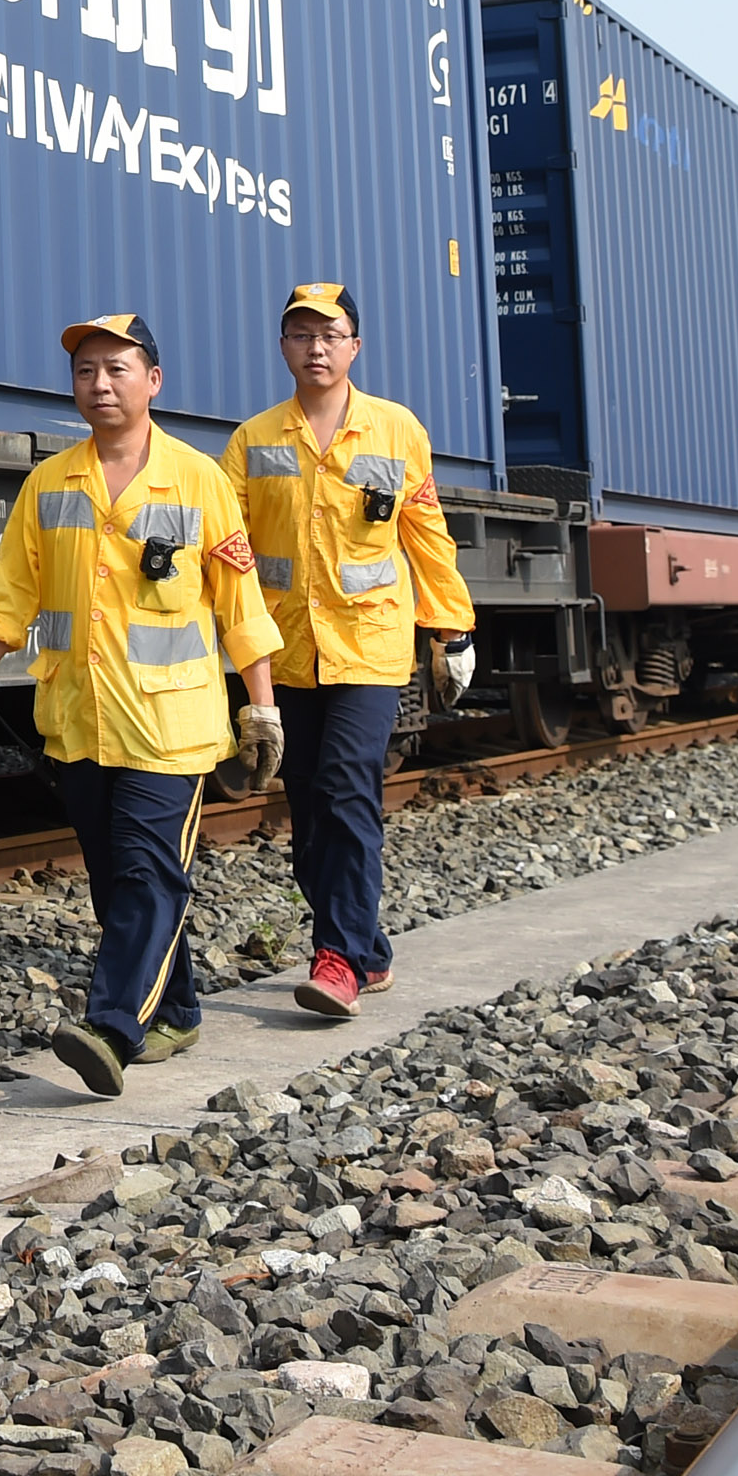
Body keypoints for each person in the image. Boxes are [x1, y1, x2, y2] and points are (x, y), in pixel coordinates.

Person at [0, 312, 285, 1097]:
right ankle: (179, 1010)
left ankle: (112, 1026)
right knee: (118, 880)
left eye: (116, 369)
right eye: (85, 371)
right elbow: (10, 598)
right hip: (82, 722)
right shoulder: (50, 484)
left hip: (171, 724)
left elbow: (240, 606)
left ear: (153, 382)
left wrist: (261, 707)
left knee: (146, 876)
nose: (99, 384)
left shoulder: (200, 481)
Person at [222, 282, 471, 1021]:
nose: (316, 348)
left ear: (354, 347)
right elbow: (228, 550)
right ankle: (369, 947)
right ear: (283, 348)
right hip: (288, 650)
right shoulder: (252, 441)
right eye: (302, 335)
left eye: (330, 335)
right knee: (305, 808)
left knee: (344, 788)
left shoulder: (396, 430)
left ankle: (336, 961)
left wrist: (452, 628)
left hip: (369, 646)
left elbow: (425, 533)